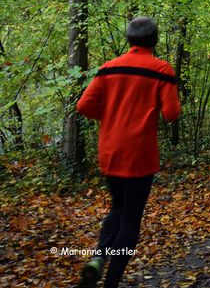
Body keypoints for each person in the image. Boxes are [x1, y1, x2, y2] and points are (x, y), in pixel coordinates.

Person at [75, 16, 181, 288]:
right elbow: (171, 114)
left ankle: (99, 257)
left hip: (110, 150)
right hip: (140, 154)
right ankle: (111, 281)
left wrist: (109, 117)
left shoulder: (108, 68)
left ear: (129, 40)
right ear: (155, 41)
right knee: (131, 217)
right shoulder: (161, 70)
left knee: (117, 207)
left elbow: (83, 105)